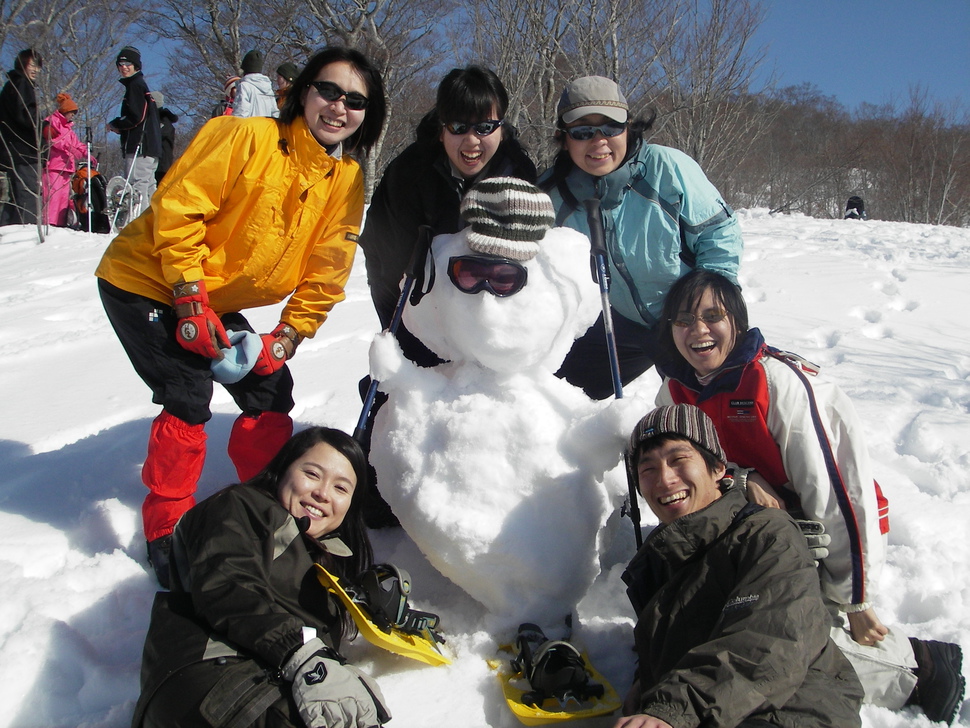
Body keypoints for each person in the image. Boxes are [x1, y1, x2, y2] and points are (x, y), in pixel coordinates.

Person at [95, 46, 387, 588]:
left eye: (355, 100)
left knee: (269, 389)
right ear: (303, 92)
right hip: (146, 278)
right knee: (188, 391)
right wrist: (189, 299)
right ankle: (168, 529)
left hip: (214, 295)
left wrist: (287, 336)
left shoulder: (344, 179)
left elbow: (328, 270)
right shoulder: (243, 137)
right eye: (328, 90)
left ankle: (269, 506)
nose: (338, 107)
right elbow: (178, 210)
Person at [654, 268, 966, 724]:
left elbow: (837, 490)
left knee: (778, 632)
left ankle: (921, 669)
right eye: (683, 320)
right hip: (750, 522)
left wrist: (855, 597)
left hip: (825, 526)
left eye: (712, 316)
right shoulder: (676, 389)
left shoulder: (774, 383)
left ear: (736, 320)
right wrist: (742, 478)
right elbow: (694, 470)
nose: (697, 330)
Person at [618, 403, 864, 728]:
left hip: (790, 712)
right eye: (648, 469)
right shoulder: (663, 556)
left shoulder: (766, 534)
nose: (664, 479)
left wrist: (671, 710)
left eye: (679, 460)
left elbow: (766, 642)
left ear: (718, 469)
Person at [130, 426, 391, 728]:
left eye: (341, 488)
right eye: (312, 474)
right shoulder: (239, 507)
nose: (322, 493)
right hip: (213, 677)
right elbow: (228, 584)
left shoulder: (323, 565)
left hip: (260, 683)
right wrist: (301, 652)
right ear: (283, 469)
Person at [539, 76, 743, 400]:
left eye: (611, 128)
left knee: (713, 407)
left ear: (628, 128)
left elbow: (718, 234)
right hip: (617, 321)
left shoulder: (668, 167)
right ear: (564, 138)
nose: (599, 141)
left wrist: (709, 305)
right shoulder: (550, 194)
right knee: (555, 393)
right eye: (582, 132)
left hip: (686, 320)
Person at [358, 64, 537, 368]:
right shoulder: (410, 174)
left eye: (484, 127)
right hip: (406, 285)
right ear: (442, 130)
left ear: (502, 128)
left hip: (482, 293)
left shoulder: (519, 174)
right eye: (458, 127)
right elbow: (393, 267)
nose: (472, 141)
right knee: (415, 369)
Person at [107, 45, 161, 215]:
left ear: (136, 65)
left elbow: (136, 117)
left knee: (137, 186)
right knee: (149, 185)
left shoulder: (135, 86)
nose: (124, 67)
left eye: (128, 64)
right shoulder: (140, 86)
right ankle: (153, 221)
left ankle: (140, 223)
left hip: (140, 146)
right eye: (121, 64)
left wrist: (116, 124)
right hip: (150, 146)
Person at [0, 49, 43, 225]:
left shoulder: (10, 85)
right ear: (22, 63)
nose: (35, 70)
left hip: (11, 150)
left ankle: (6, 233)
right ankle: (28, 234)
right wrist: (44, 127)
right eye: (32, 65)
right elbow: (26, 116)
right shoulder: (22, 84)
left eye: (38, 66)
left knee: (14, 199)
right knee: (28, 196)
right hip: (23, 150)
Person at [42, 92, 89, 226]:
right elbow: (53, 140)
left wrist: (86, 153)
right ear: (65, 111)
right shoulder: (52, 121)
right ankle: (49, 224)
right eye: (71, 113)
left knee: (63, 199)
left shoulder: (69, 129)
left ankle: (60, 224)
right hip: (53, 166)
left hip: (66, 168)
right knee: (53, 197)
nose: (72, 116)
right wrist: (70, 148)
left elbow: (77, 144)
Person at [233, 49, 280, 118]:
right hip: (265, 124)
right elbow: (274, 113)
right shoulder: (268, 88)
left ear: (245, 69)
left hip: (250, 124)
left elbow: (240, 113)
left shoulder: (244, 86)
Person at [151, 91, 178, 184]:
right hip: (154, 162)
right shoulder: (155, 120)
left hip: (162, 165)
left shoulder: (164, 121)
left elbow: (157, 135)